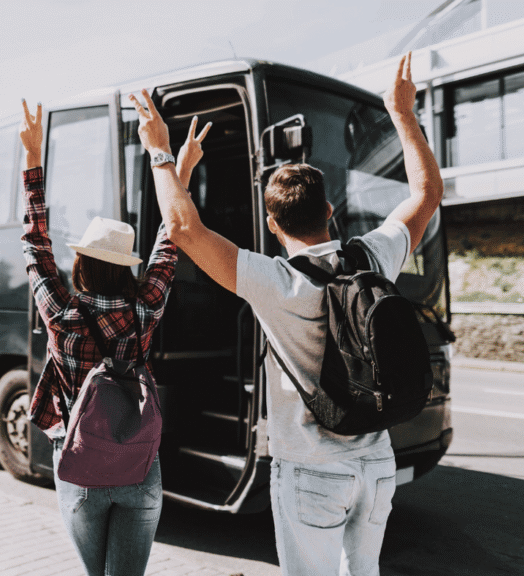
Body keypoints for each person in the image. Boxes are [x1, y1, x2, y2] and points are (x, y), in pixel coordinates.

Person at [130, 54, 442, 575]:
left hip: (311, 473)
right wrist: (403, 115)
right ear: (329, 212)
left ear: (273, 226)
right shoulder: (374, 255)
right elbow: (427, 194)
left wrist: (161, 153)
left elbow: (184, 229)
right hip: (378, 465)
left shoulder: (275, 281)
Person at [19, 98, 188, 576]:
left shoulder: (61, 314)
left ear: (80, 264)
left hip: (81, 468)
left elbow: (35, 243)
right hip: (141, 469)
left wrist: (33, 159)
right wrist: (181, 168)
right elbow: (170, 241)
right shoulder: (144, 310)